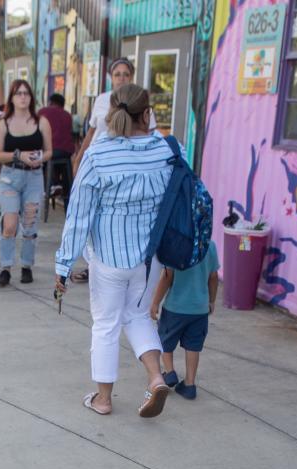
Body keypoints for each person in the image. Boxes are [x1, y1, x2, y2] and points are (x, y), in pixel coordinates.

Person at [54, 83, 174, 418]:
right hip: (148, 258)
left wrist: (63, 265)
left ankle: (103, 399)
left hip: (108, 257)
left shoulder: (98, 155)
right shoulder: (164, 150)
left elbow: (78, 217)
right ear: (146, 114)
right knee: (137, 315)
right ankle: (155, 377)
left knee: (106, 324)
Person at [68, 58, 158, 284]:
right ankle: (95, 264)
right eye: (117, 74)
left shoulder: (139, 102)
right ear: (111, 77)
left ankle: (125, 265)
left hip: (125, 169)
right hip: (99, 166)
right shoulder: (101, 101)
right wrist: (79, 159)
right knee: (91, 216)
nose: (121, 78)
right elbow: (91, 133)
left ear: (131, 76)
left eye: (125, 74)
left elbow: (152, 134)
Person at [0, 80, 52, 286]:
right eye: (18, 93)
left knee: (30, 223)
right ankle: (5, 267)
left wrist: (39, 158)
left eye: (26, 93)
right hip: (10, 177)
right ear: (12, 97)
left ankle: (26, 265)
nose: (23, 97)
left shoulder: (41, 121)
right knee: (9, 224)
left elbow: (49, 151)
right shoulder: (3, 122)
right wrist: (19, 155)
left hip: (34, 177)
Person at [150, 240, 219, 399]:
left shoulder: (175, 243)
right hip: (199, 309)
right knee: (193, 346)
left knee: (164, 341)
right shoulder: (210, 244)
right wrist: (212, 300)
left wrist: (155, 303)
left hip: (175, 307)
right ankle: (189, 384)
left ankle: (169, 372)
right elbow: (213, 276)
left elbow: (167, 277)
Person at [39, 92, 76, 201]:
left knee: (42, 159)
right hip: (66, 152)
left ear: (50, 102)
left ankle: (49, 185)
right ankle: (65, 190)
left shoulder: (43, 112)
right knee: (63, 164)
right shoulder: (67, 115)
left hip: (49, 151)